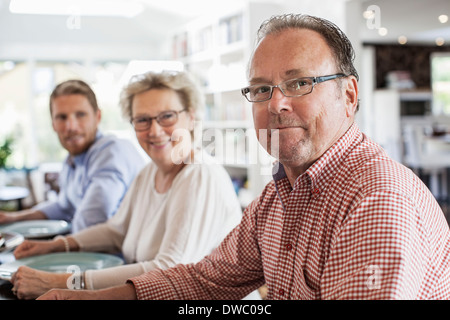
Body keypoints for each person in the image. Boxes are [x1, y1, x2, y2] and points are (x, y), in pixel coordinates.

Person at [39, 13, 450, 300]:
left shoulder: (376, 200)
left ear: (349, 96)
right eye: (260, 89)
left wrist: (78, 286)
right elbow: (206, 282)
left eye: (300, 83)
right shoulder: (279, 195)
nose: (276, 105)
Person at [10, 71, 245, 300]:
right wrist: (54, 246)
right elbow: (116, 231)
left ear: (191, 117)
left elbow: (170, 269)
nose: (154, 130)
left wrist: (64, 283)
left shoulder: (200, 173)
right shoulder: (149, 172)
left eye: (167, 116)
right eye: (142, 120)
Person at [0, 80, 145, 233]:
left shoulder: (112, 152)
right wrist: (12, 218)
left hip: (124, 255)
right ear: (53, 124)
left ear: (98, 117)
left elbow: (93, 219)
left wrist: (53, 246)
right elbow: (63, 206)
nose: (71, 126)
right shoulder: (72, 161)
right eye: (62, 117)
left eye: (80, 115)